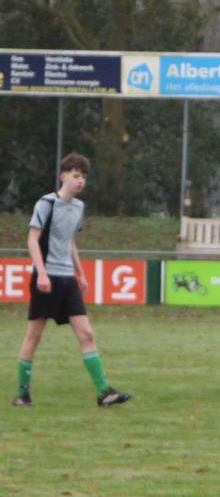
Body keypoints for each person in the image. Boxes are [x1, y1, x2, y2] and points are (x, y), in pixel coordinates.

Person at [13, 153, 132, 409]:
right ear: (63, 176)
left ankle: (104, 392)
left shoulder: (78, 207)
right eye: (76, 176)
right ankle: (22, 394)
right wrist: (41, 273)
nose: (80, 181)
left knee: (87, 334)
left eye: (84, 177)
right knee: (34, 335)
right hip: (47, 278)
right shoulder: (46, 203)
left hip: (68, 280)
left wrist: (80, 272)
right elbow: (32, 239)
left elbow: (70, 241)